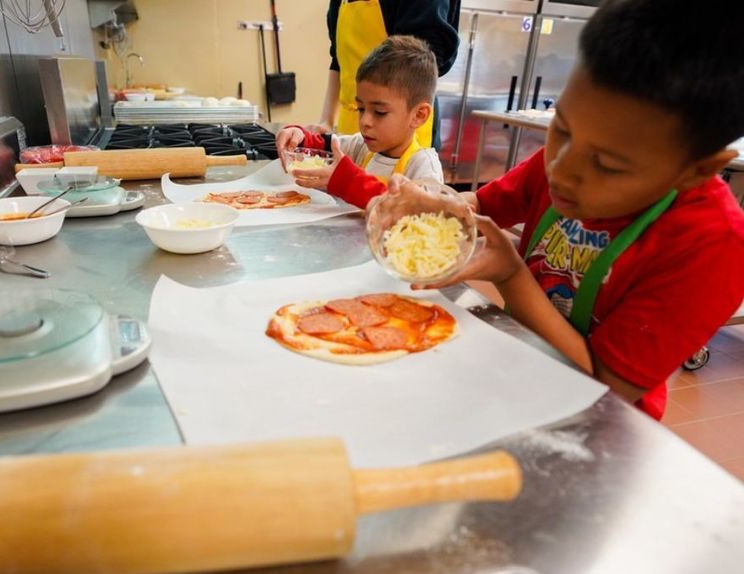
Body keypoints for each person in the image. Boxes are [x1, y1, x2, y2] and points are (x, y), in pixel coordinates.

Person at [367, 0, 744, 420]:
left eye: (607, 165)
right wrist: (429, 199)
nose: (562, 171)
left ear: (697, 169)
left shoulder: (714, 246)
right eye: (560, 128)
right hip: (517, 372)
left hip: (597, 425)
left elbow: (605, 385)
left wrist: (511, 275)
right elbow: (476, 204)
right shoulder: (568, 156)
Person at [276, 35, 444, 209]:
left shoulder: (423, 166)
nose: (365, 121)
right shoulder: (361, 146)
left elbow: (417, 213)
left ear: (419, 115)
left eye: (380, 112)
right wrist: (298, 137)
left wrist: (349, 183)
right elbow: (323, 147)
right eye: (361, 109)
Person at [320, 0, 460, 149]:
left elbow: (426, 56)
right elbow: (338, 57)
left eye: (380, 111)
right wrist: (326, 121)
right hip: (350, 126)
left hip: (401, 136)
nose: (366, 122)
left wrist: (382, 115)